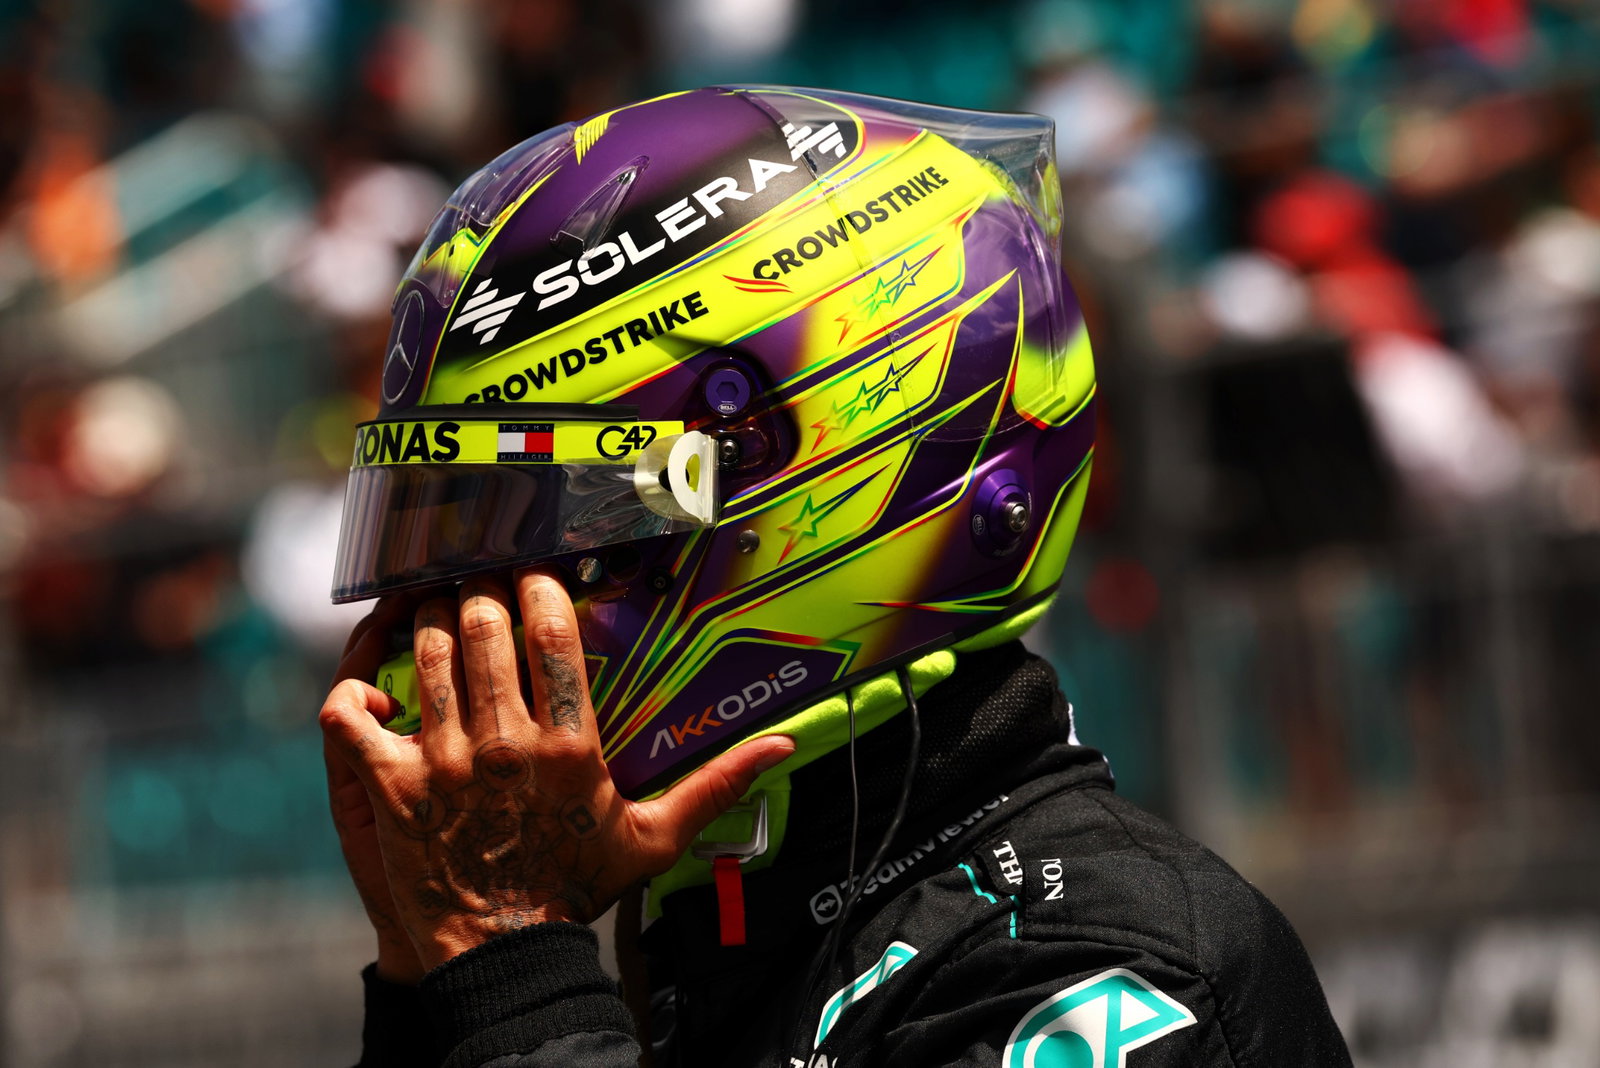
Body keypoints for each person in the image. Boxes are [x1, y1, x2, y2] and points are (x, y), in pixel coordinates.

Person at [318, 86, 1353, 1067]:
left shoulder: (1108, 971)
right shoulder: (710, 935)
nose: (438, 637)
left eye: (527, 542)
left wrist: (513, 972)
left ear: (797, 481)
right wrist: (431, 982)